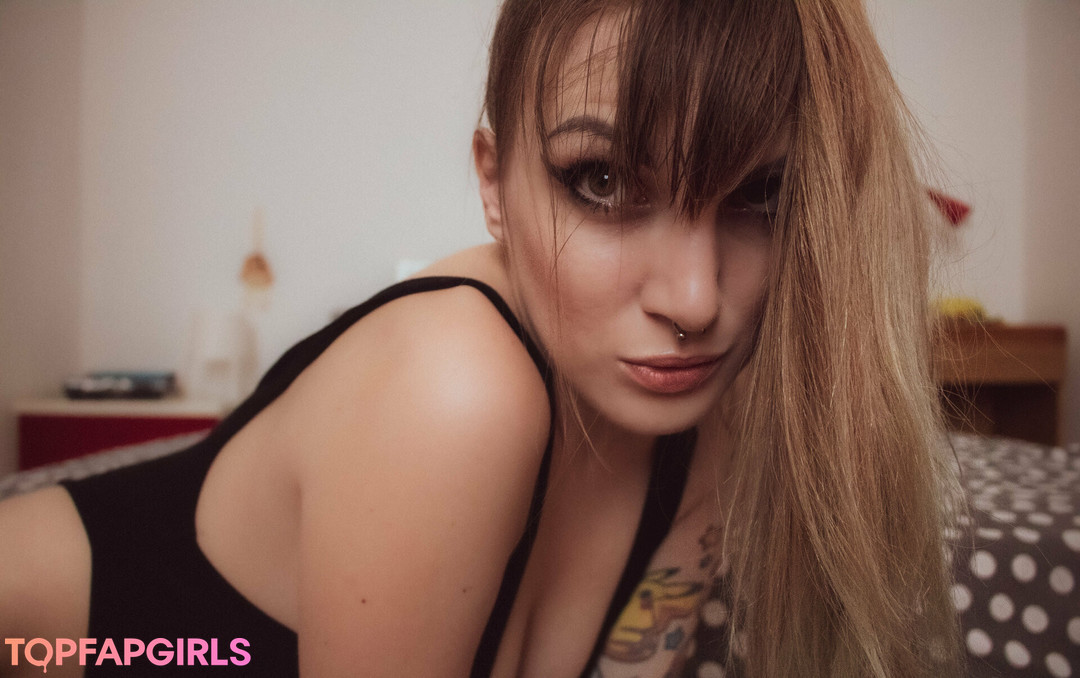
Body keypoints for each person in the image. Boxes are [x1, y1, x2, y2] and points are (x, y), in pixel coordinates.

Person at [0, 0, 960, 676]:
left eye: (761, 194)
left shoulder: (711, 424)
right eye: (604, 182)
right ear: (493, 182)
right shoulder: (456, 385)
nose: (697, 300)